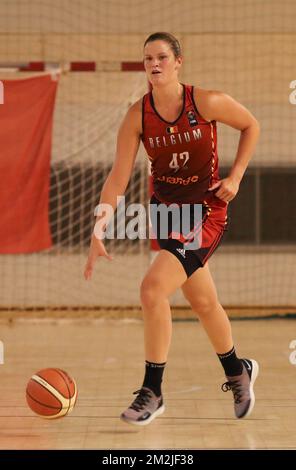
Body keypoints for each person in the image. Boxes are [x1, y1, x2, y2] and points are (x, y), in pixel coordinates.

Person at [84, 32, 260, 426]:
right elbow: (117, 177)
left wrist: (237, 176)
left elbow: (251, 126)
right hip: (166, 216)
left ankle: (153, 390)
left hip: (205, 213)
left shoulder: (207, 102)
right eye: (148, 58)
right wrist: (99, 227)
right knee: (203, 303)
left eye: (162, 56)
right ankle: (237, 370)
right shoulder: (138, 116)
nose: (154, 64)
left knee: (151, 289)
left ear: (178, 61)